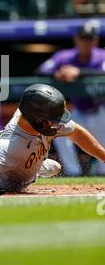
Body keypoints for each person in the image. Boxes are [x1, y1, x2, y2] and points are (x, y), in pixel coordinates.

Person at [0, 83, 105, 195]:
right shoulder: (10, 145)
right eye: (54, 120)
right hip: (5, 178)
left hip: (25, 160)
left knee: (55, 167)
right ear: (36, 119)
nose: (58, 124)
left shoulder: (38, 117)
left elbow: (77, 133)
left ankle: (32, 167)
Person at [37, 22, 105, 175]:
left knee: (103, 167)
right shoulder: (65, 56)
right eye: (83, 38)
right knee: (59, 130)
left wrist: (79, 72)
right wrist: (57, 73)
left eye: (89, 38)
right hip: (79, 111)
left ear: (95, 40)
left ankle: (100, 172)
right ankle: (73, 171)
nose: (86, 42)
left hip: (101, 112)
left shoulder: (102, 55)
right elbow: (40, 71)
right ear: (76, 39)